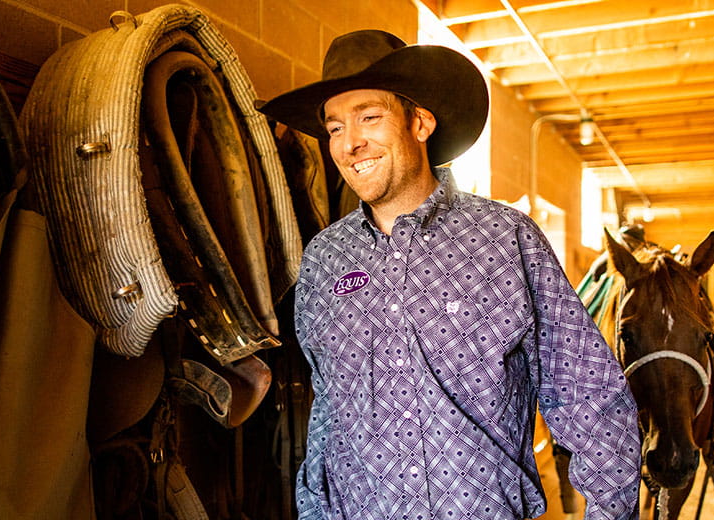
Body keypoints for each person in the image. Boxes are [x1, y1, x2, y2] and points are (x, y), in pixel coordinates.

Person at [257, 30, 640, 520]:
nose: (350, 143)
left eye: (369, 118)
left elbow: (590, 395)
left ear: (420, 122)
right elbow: (329, 414)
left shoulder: (505, 240)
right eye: (334, 128)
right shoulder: (324, 260)